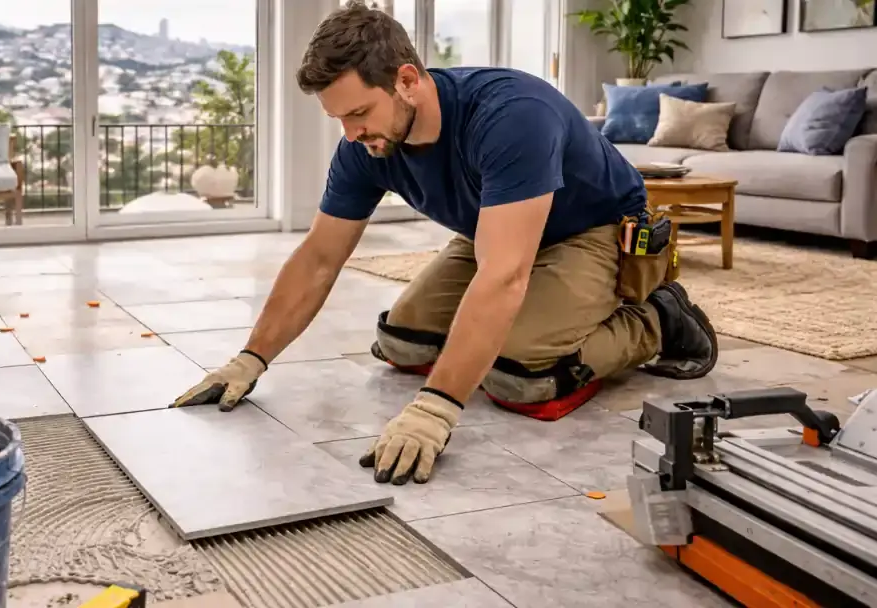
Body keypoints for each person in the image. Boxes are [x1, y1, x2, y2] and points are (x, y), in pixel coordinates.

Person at [171, 2, 717, 486]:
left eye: (359, 113)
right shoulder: (364, 147)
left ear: (407, 80)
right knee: (401, 342)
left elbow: (504, 275)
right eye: (339, 119)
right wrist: (251, 358)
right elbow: (318, 258)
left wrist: (435, 408)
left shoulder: (510, 116)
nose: (351, 134)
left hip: (590, 229)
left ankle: (658, 319)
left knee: (520, 374)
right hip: (495, 227)